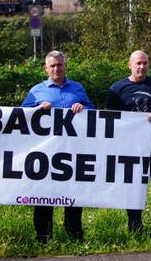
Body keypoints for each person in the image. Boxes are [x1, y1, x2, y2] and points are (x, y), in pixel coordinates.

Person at [21, 50, 95, 242]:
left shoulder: (77, 88)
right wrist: (37, 109)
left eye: (59, 65)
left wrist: (83, 108)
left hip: (72, 151)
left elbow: (93, 110)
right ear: (46, 68)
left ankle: (75, 236)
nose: (56, 69)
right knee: (44, 196)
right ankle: (43, 237)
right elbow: (20, 115)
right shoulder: (36, 90)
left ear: (65, 66)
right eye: (52, 66)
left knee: (72, 195)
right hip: (46, 152)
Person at [106, 50, 151, 240]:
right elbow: (109, 119)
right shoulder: (117, 89)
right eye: (138, 63)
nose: (142, 67)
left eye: (145, 63)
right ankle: (135, 229)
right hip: (129, 148)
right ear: (129, 65)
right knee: (134, 187)